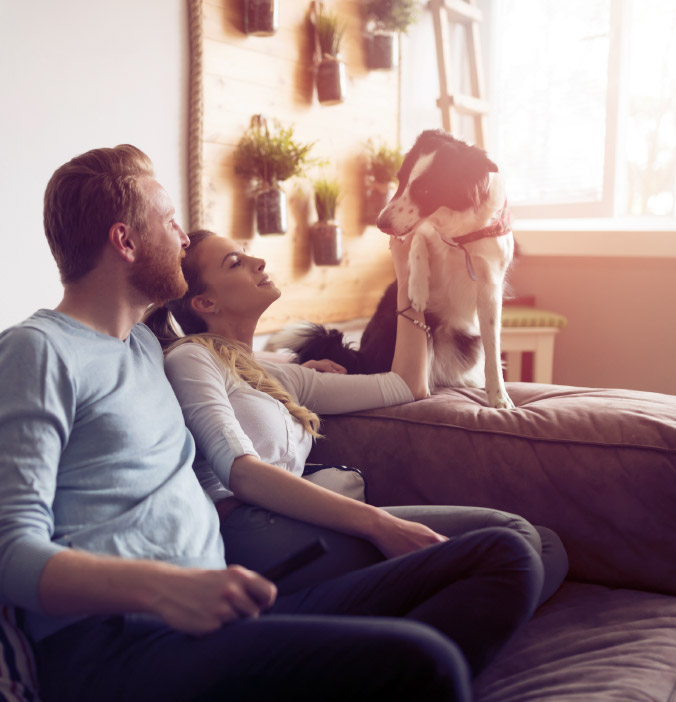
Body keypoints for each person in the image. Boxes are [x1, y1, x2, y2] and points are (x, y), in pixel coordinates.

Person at [0, 144, 545, 702]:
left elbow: (239, 365)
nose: (183, 236)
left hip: (229, 616)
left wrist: (301, 363)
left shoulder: (144, 349)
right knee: (427, 661)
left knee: (506, 554)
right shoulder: (34, 351)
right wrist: (163, 587)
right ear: (125, 241)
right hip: (121, 644)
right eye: (169, 222)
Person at [145, 229, 567, 603]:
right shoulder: (192, 358)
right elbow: (241, 473)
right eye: (234, 262)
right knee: (515, 540)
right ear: (205, 302)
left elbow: (405, 385)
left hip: (300, 522)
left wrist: (409, 280)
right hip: (251, 530)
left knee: (546, 545)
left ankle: (400, 627)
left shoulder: (278, 375)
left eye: (246, 253)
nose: (258, 261)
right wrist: (380, 525)